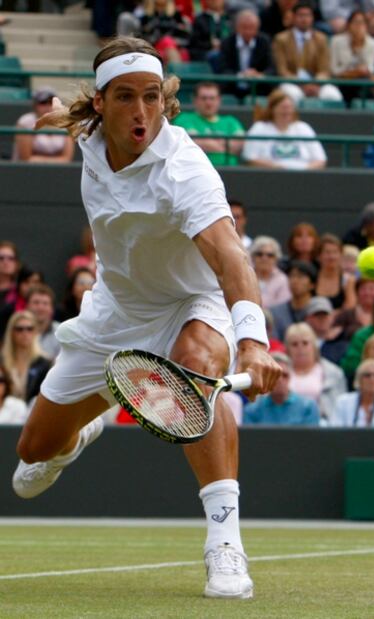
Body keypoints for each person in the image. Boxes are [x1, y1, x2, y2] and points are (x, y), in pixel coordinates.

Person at [11, 36, 280, 601]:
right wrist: (56, 113)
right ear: (102, 103)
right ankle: (80, 432)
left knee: (197, 368)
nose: (141, 112)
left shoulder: (186, 171)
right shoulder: (89, 132)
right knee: (32, 453)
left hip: (192, 303)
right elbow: (68, 112)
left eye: (153, 97)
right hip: (115, 311)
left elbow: (231, 255)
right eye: (127, 97)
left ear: (165, 99)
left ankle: (224, 545)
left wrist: (253, 339)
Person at [272, 1, 343, 104]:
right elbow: (282, 70)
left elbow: (324, 70)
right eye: (301, 15)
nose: (304, 19)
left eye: (307, 15)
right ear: (293, 17)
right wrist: (301, 84)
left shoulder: (321, 39)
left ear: (312, 18)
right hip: (292, 83)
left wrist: (314, 84)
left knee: (333, 95)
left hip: (317, 84)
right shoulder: (281, 39)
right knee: (293, 94)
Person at [242, 89, 327, 170]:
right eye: (283, 107)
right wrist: (277, 168)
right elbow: (250, 158)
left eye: (289, 107)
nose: (287, 111)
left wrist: (304, 170)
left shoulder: (303, 128)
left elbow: (320, 159)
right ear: (272, 109)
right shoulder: (260, 128)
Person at [285, 322, 347, 423]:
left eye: (305, 343)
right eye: (294, 344)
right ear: (287, 349)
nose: (300, 348)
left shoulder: (334, 373)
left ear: (314, 346)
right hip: (286, 424)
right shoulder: (279, 373)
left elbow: (340, 408)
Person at [172, 82, 245, 166]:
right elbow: (193, 143)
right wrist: (226, 146)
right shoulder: (184, 119)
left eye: (212, 98)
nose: (208, 102)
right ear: (195, 100)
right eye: (204, 98)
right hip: (197, 170)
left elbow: (239, 144)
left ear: (219, 100)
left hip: (231, 172)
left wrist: (209, 144)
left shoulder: (231, 121)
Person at [243, 351, 320, 425]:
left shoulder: (308, 407)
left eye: (285, 375)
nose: (280, 380)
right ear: (266, 378)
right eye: (276, 376)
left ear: (290, 377)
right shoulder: (252, 411)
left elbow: (312, 438)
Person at [216, 10, 275, 100]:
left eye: (251, 28)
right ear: (237, 27)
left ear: (257, 28)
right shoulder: (227, 42)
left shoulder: (264, 42)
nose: (248, 31)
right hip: (232, 88)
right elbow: (223, 69)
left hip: (259, 89)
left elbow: (271, 69)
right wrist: (241, 75)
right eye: (244, 27)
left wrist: (259, 75)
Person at [1, 310, 51, 405]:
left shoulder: (44, 363)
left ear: (35, 332)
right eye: (19, 329)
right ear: (11, 332)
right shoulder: (2, 361)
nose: (25, 333)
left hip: (32, 412)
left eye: (30, 329)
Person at [13, 87, 75, 164]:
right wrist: (57, 160)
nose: (47, 106)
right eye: (43, 103)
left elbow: (67, 159)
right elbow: (26, 159)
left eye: (50, 102)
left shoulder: (65, 122)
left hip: (59, 173)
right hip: (27, 172)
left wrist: (39, 159)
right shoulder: (25, 122)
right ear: (35, 105)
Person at [330, 10, 374, 104]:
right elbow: (334, 70)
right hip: (341, 82)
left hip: (362, 82)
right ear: (349, 25)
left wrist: (360, 44)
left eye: (362, 23)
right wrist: (354, 72)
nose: (359, 26)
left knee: (367, 85)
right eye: (356, 22)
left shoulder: (372, 43)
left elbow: (370, 68)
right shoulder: (336, 41)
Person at [330, 359, 374, 427]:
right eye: (367, 375)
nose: (372, 379)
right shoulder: (343, 402)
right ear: (359, 379)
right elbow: (336, 431)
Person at [270, 259, 317, 341]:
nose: (294, 281)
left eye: (300, 276)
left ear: (312, 285)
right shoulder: (276, 312)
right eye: (291, 276)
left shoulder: (319, 310)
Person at [315, 233, 357, 310]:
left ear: (341, 255)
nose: (332, 257)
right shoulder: (311, 278)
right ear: (319, 256)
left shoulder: (348, 280)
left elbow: (350, 308)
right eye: (327, 252)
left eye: (335, 252)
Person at [249, 235, 291, 309]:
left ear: (276, 259)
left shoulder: (282, 279)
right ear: (253, 257)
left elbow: (282, 306)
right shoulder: (245, 276)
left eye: (270, 255)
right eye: (259, 254)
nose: (264, 258)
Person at [304, 296, 349, 365]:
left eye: (325, 315)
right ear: (307, 318)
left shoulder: (342, 342)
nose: (322, 319)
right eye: (317, 315)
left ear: (332, 317)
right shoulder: (299, 342)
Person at [26, 285, 61, 361]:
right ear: (27, 306)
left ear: (52, 309)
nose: (40, 308)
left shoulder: (60, 331)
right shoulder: (18, 329)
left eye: (45, 303)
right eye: (36, 303)